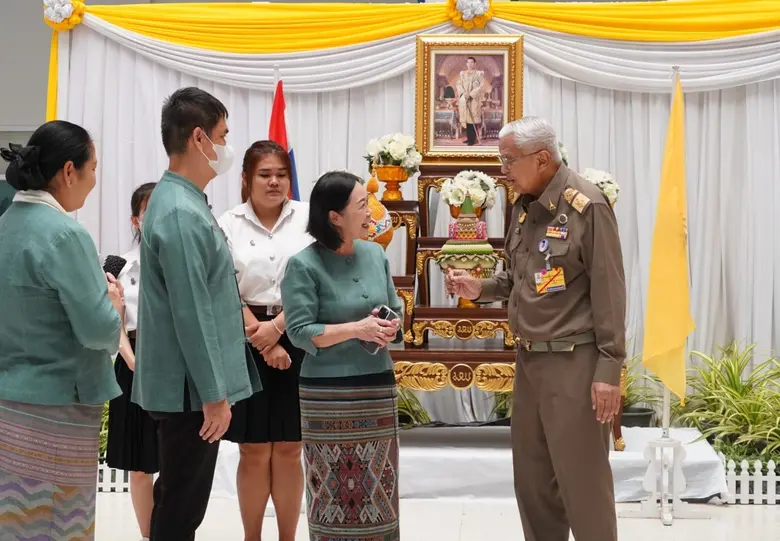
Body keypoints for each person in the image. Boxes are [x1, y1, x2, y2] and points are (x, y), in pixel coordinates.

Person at [445, 117, 625, 541]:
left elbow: (610, 292)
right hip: (529, 361)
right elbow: (521, 278)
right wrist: (481, 287)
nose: (502, 170)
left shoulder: (587, 206)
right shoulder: (525, 206)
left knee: (582, 483)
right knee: (533, 482)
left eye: (509, 160)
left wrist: (609, 370)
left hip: (575, 364)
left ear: (542, 158)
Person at [132, 87, 261, 541]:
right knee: (181, 509)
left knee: (180, 501)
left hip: (191, 388)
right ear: (199, 139)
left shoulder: (184, 201)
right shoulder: (179, 212)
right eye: (222, 136)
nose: (226, 146)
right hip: (189, 391)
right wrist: (213, 394)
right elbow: (191, 311)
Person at [0, 121, 124, 540]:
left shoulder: (5, 224)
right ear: (70, 171)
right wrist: (114, 305)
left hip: (9, 402)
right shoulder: (65, 233)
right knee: (60, 524)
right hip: (57, 408)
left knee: (16, 523)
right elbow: (98, 331)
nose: (94, 181)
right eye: (93, 169)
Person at [281, 171, 403, 541]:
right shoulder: (303, 265)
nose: (371, 213)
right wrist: (356, 329)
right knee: (330, 489)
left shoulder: (375, 253)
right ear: (335, 216)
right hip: (327, 394)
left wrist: (389, 327)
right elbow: (299, 331)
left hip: (376, 385)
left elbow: (396, 309)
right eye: (362, 205)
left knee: (380, 486)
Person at [218, 141, 312, 541]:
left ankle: (288, 537)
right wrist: (263, 337)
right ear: (246, 178)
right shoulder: (228, 223)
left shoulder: (307, 218)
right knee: (253, 448)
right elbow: (221, 284)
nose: (274, 182)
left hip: (299, 335)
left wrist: (279, 329)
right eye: (264, 174)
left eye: (281, 174)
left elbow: (318, 278)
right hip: (246, 337)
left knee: (290, 447)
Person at [104, 182, 157, 541]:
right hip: (133, 364)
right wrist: (133, 360)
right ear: (135, 220)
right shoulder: (117, 265)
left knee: (179, 462)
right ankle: (149, 535)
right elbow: (114, 321)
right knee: (140, 465)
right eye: (149, 210)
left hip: (177, 368)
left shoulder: (188, 263)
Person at [457, 56, 484, 146]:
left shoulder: (479, 74)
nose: (470, 64)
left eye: (471, 62)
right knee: (467, 119)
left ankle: (472, 140)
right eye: (468, 62)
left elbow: (480, 86)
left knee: (473, 119)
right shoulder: (462, 74)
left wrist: (471, 94)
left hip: (474, 100)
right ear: (466, 64)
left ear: (474, 63)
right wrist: (464, 93)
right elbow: (459, 84)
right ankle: (469, 138)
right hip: (465, 99)